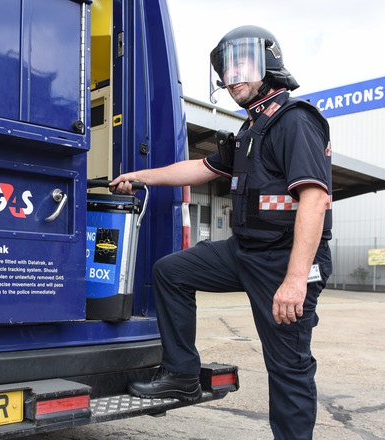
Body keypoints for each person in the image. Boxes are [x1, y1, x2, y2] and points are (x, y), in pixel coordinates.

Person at [110, 25, 332, 440]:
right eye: (227, 70)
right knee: (171, 272)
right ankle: (181, 374)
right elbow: (201, 168)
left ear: (270, 64)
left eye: (242, 66)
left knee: (287, 367)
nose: (232, 79)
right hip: (246, 251)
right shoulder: (251, 130)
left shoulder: (295, 121)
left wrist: (296, 280)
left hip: (283, 261)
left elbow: (315, 201)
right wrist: (140, 176)